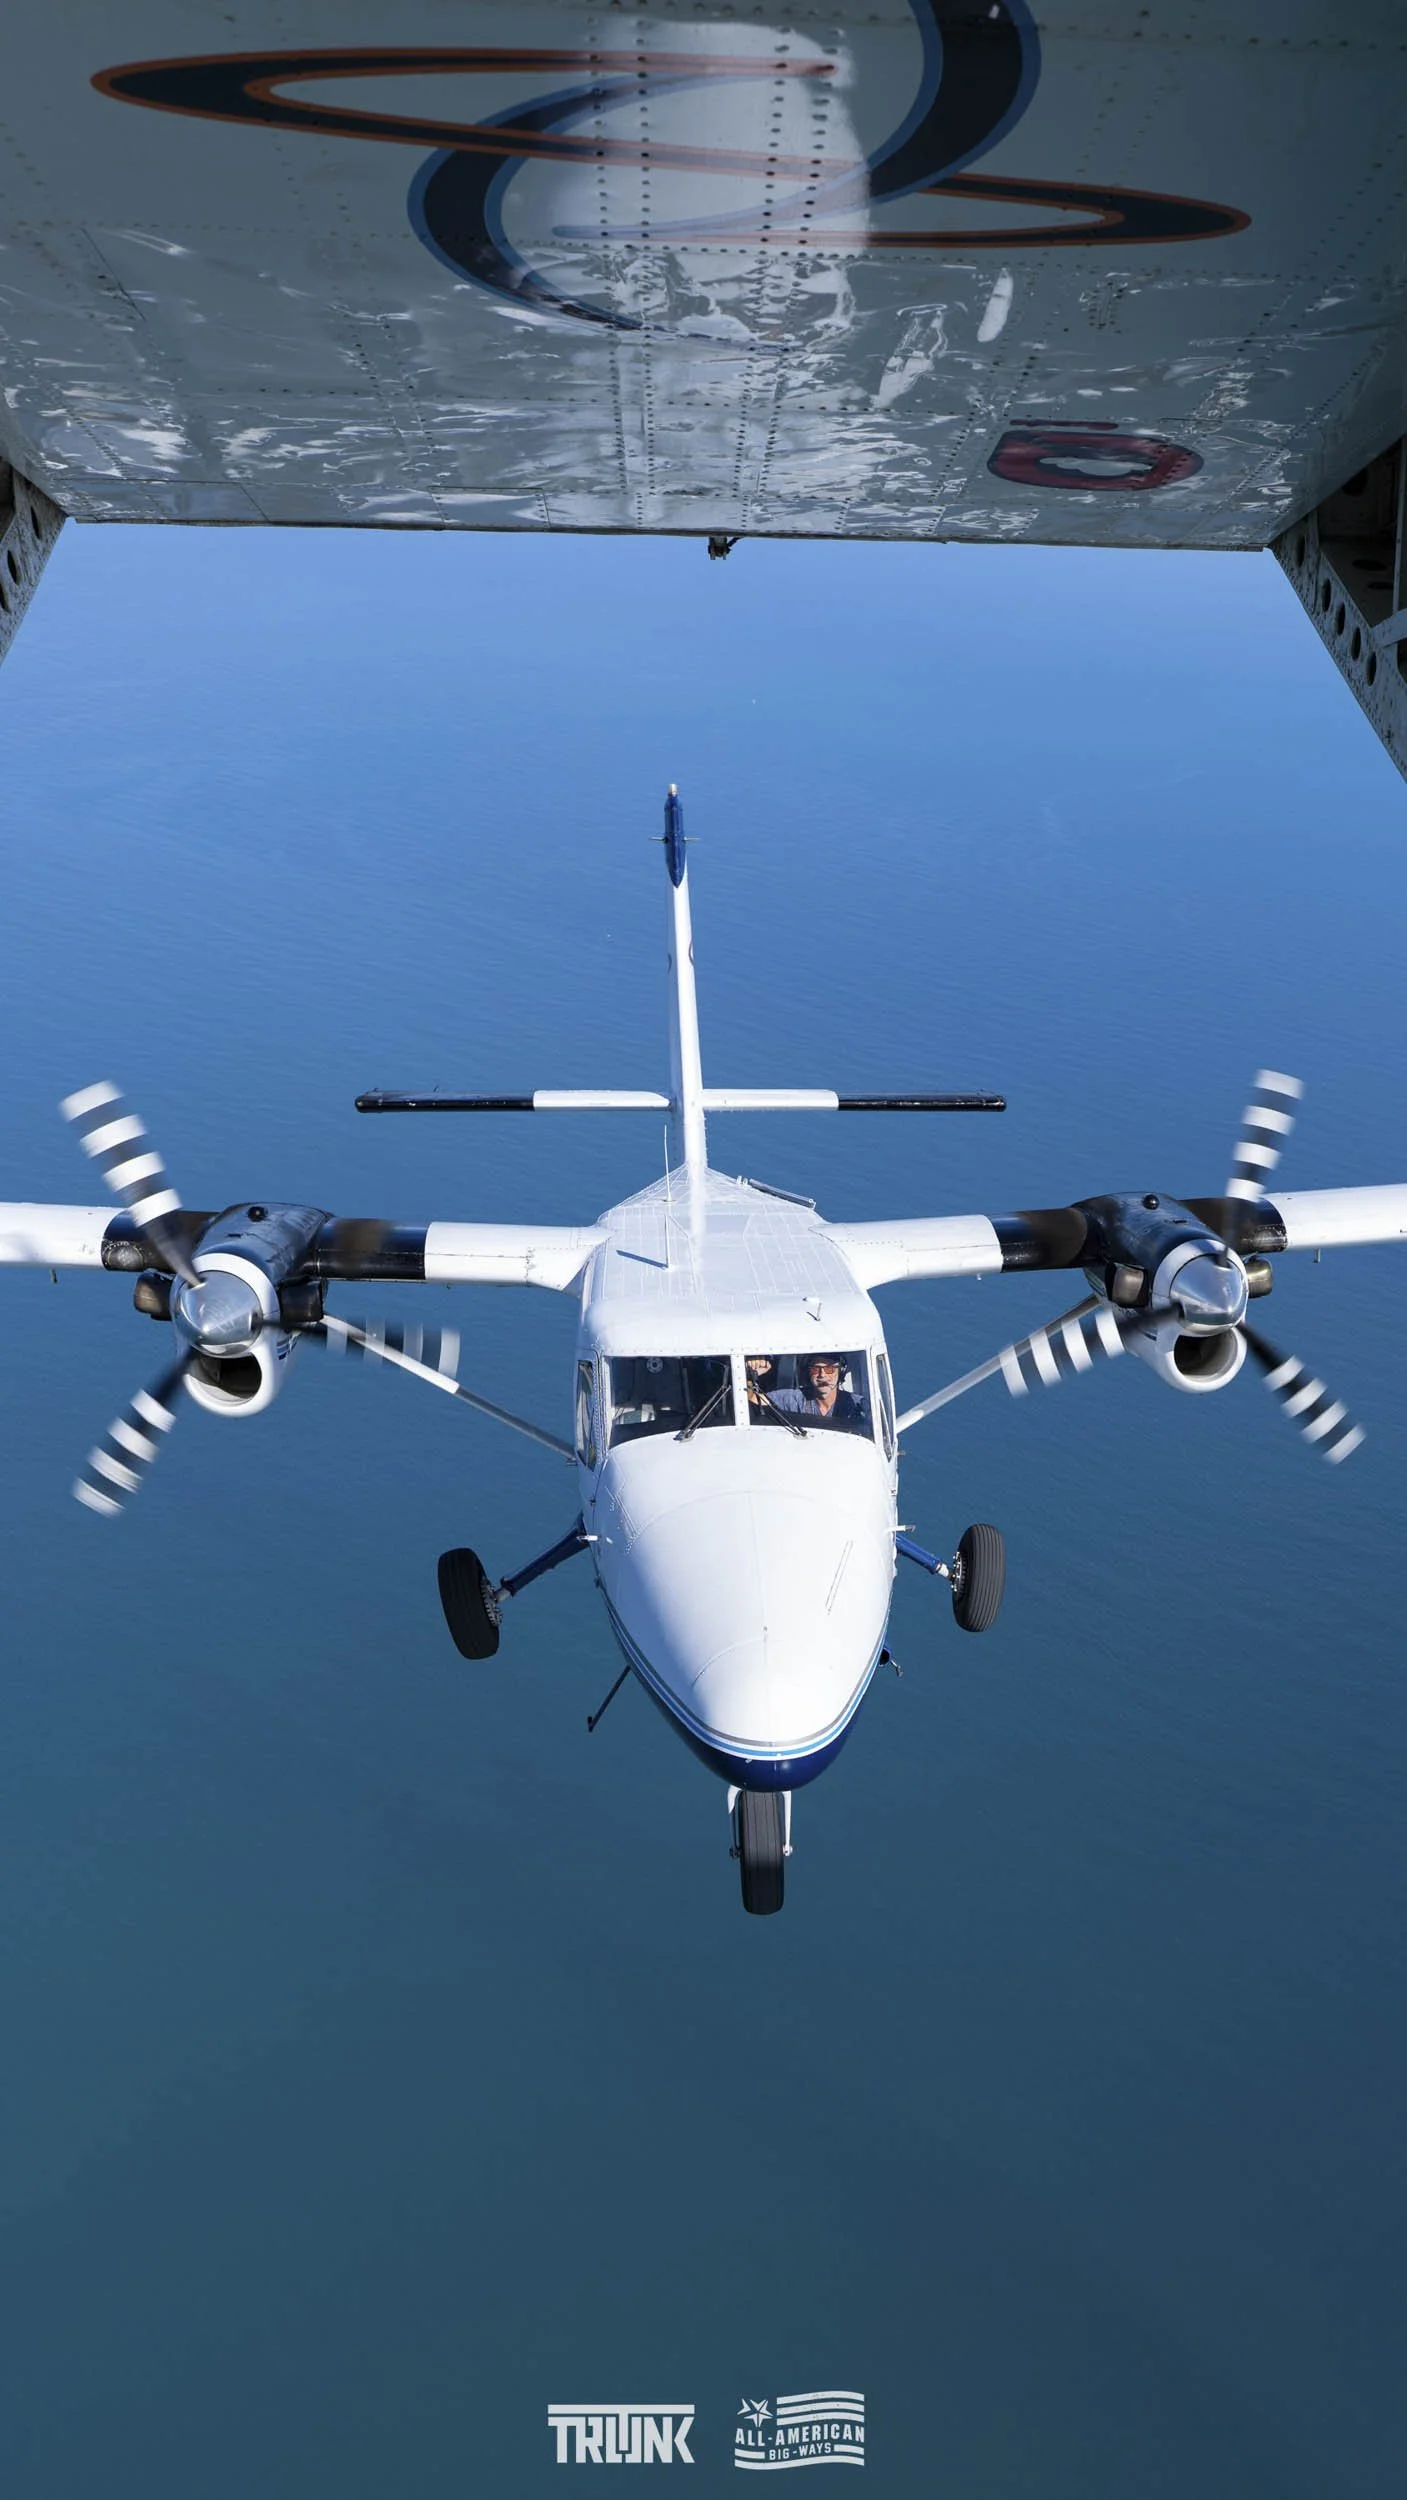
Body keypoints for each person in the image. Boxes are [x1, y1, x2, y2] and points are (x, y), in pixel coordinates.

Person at [766, 1354, 866, 1431]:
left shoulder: (858, 1404)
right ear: (808, 1373)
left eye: (829, 1369)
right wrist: (752, 1371)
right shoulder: (795, 1399)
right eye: (815, 1369)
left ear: (841, 1372)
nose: (822, 1375)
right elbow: (755, 1399)